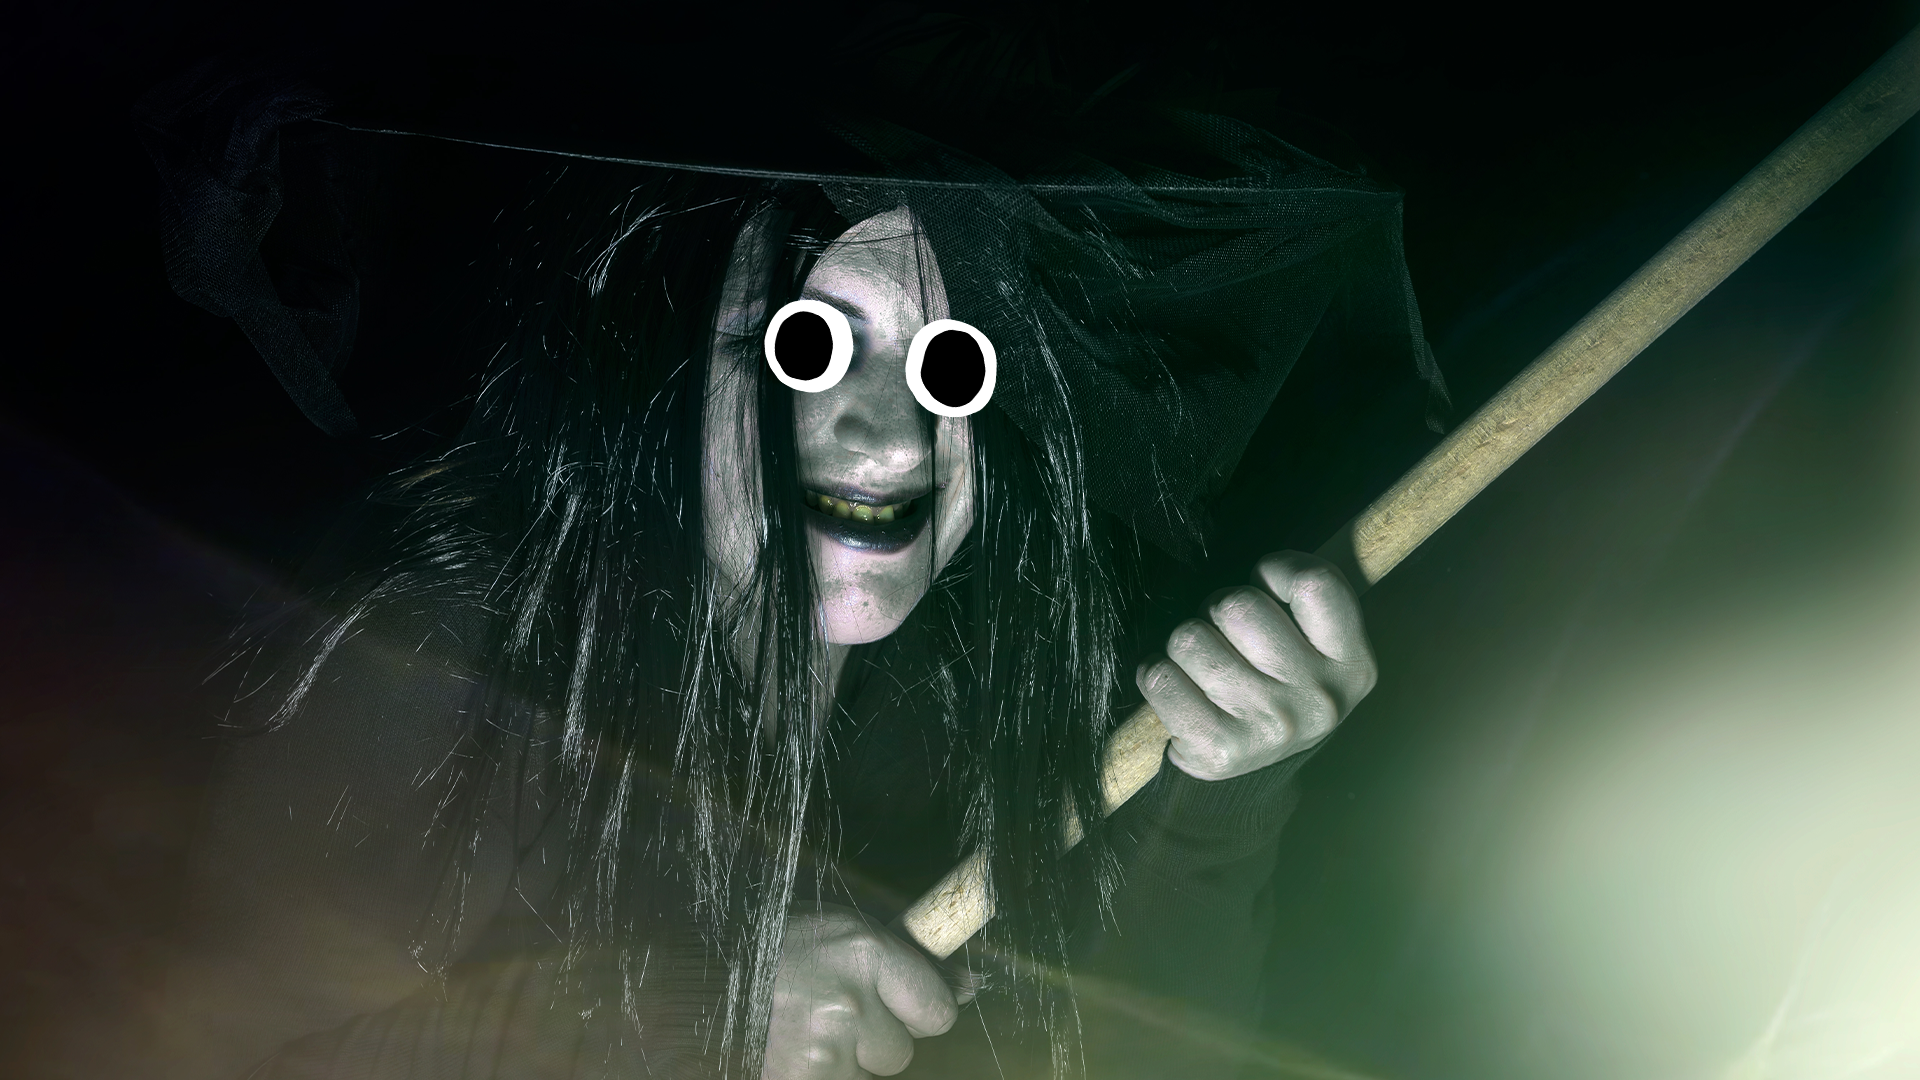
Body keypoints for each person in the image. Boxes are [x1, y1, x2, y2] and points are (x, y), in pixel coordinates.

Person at [143, 71, 1445, 1079]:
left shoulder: (998, 673)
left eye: (950, 363)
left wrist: (1226, 797)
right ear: (661, 366)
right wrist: (660, 1025)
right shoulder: (441, 650)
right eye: (808, 346)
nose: (891, 436)